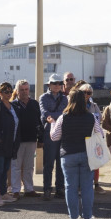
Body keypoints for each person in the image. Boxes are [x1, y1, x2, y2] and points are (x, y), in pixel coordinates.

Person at [49, 89, 100, 219]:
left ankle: (73, 217)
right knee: (87, 187)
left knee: (70, 186)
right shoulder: (91, 117)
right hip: (86, 154)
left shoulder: (63, 117)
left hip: (68, 154)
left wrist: (52, 124)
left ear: (69, 100)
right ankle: (88, 216)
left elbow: (54, 137)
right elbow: (100, 134)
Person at [10, 80, 43, 197]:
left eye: (26, 89)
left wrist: (41, 138)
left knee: (29, 166)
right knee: (16, 166)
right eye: (22, 90)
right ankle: (15, 190)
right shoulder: (12, 105)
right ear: (17, 91)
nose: (24, 92)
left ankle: (29, 189)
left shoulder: (34, 104)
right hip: (17, 141)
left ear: (29, 90)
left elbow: (39, 122)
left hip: (31, 139)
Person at [40, 72, 68, 200]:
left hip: (62, 132)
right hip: (48, 133)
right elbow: (44, 112)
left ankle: (60, 189)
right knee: (49, 163)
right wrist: (51, 116)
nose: (57, 85)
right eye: (54, 83)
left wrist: (51, 117)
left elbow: (63, 113)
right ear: (49, 85)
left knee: (61, 163)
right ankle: (47, 189)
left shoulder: (65, 98)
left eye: (59, 83)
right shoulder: (43, 97)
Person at [79, 83, 105, 193]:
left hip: (93, 137)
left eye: (88, 93)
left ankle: (96, 184)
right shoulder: (76, 105)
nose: (86, 95)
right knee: (81, 162)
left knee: (95, 161)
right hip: (80, 137)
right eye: (84, 92)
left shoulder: (94, 105)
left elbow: (100, 119)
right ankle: (80, 186)